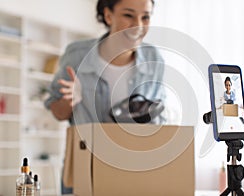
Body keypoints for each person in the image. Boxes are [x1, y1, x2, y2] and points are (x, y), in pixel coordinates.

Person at [44, 0, 165, 193]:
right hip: (85, 169)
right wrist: (70, 102)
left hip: (132, 171)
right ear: (108, 15)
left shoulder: (154, 59)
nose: (139, 25)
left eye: (145, 17)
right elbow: (57, 111)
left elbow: (158, 118)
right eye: (128, 15)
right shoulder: (77, 55)